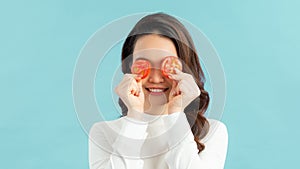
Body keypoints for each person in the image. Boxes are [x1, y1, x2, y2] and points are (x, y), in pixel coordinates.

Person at [89, 12, 228, 169]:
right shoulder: (103, 132)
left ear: (186, 69)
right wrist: (135, 117)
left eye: (168, 65)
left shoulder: (212, 132)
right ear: (129, 68)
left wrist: (175, 114)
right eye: (144, 64)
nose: (155, 79)